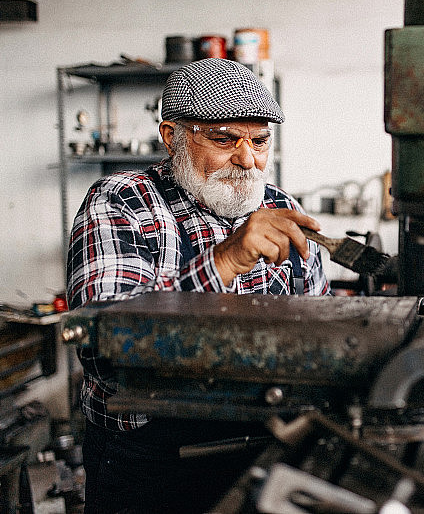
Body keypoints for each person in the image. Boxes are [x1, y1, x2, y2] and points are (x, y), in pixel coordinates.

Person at [66, 58, 330, 513]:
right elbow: (101, 343)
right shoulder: (121, 200)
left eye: (260, 141)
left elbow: (321, 331)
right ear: (172, 137)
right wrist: (224, 261)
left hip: (263, 443)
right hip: (151, 462)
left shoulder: (280, 207)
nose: (247, 159)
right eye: (224, 139)